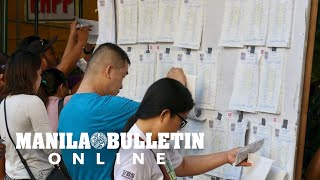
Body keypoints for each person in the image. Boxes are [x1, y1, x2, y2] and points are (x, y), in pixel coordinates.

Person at [58, 43, 186, 180]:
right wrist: (175, 82)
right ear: (109, 71)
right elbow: (162, 112)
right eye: (123, 76)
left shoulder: (67, 109)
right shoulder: (105, 108)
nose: (122, 85)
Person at [114, 78, 251, 179]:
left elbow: (182, 165)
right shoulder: (136, 157)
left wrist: (226, 156)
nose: (178, 130)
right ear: (165, 115)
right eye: (181, 122)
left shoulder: (155, 141)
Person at [0, 50, 54, 180]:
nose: (41, 79)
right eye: (39, 74)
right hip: (36, 174)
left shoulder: (4, 103)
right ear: (31, 75)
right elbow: (49, 146)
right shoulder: (33, 102)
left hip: (11, 174)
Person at [18, 20, 91, 76]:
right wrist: (81, 42)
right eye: (51, 53)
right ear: (43, 61)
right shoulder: (42, 78)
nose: (56, 56)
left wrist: (72, 35)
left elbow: (64, 63)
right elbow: (63, 69)